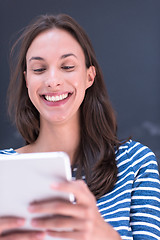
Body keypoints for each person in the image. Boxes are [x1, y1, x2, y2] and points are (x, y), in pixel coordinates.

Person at [0, 14, 160, 240]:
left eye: (67, 66)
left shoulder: (135, 162)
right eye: (39, 69)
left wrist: (104, 236)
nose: (52, 80)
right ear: (27, 81)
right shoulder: (3, 170)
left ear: (89, 76)